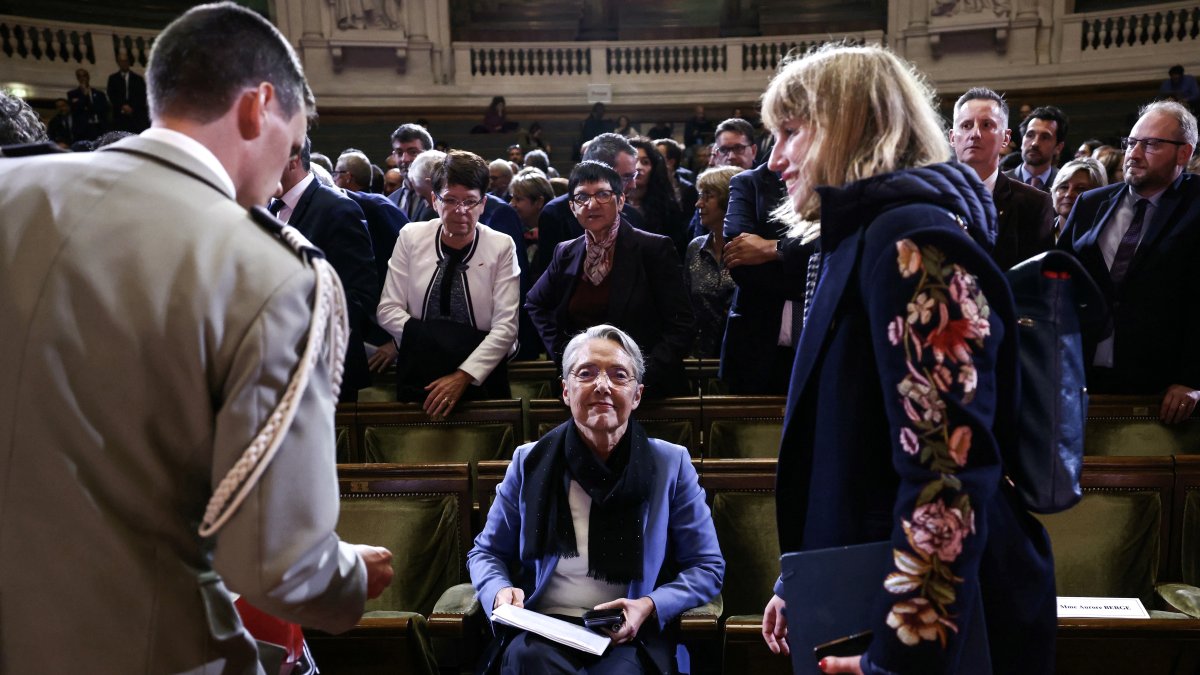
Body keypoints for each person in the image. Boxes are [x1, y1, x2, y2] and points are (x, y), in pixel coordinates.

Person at [0, 4, 394, 672]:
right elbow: (280, 566)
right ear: (259, 106)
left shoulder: (13, 188)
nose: (287, 169)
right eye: (292, 142)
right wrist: (347, 575)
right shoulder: (272, 268)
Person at [759, 44, 1055, 675]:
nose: (776, 159)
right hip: (861, 581)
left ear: (848, 127)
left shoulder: (914, 242)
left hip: (920, 624)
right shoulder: (859, 238)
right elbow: (848, 439)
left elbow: (947, 473)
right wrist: (803, 577)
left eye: (790, 133)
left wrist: (899, 658)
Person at [467, 324, 724, 674]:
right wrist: (499, 592)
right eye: (586, 373)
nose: (602, 385)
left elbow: (707, 567)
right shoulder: (530, 462)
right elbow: (487, 552)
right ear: (566, 391)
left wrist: (649, 604)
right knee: (528, 660)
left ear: (636, 395)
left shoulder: (670, 464)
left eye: (619, 375)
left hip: (628, 635)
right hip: (544, 628)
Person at [1058, 101, 1200, 422]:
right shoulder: (1090, 203)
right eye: (1132, 142)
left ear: (1184, 153)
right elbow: (1061, 284)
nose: (1133, 154)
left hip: (1162, 388)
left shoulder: (1196, 205)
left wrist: (1193, 379)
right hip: (1083, 376)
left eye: (1150, 144)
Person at [526, 161, 693, 398]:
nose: (592, 204)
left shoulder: (653, 248)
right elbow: (535, 303)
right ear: (572, 207)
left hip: (647, 390)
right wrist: (566, 356)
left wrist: (639, 376)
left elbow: (682, 324)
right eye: (582, 197)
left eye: (603, 195)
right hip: (584, 390)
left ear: (621, 200)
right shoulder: (566, 252)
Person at [377, 150, 520, 415]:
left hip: (483, 373)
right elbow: (387, 310)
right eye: (450, 200)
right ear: (434, 200)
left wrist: (464, 375)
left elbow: (507, 328)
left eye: (470, 201)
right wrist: (443, 345)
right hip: (420, 369)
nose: (460, 211)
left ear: (483, 204)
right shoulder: (410, 236)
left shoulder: (501, 245)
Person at [274, 137, 377, 402]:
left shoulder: (337, 208)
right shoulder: (268, 207)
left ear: (292, 159)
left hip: (325, 370)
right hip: (277, 368)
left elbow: (359, 297)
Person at [948, 87, 1055, 269]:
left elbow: (1037, 281)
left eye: (986, 125)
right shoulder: (931, 197)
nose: (975, 134)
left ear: (1005, 138)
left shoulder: (1034, 204)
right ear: (952, 137)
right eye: (966, 125)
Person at [684, 166, 740, 357]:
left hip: (739, 356)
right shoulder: (695, 247)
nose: (699, 204)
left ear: (729, 199)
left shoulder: (749, 249)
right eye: (700, 195)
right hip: (699, 357)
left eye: (708, 196)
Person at [627, 137, 688, 252]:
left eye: (645, 162)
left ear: (654, 168)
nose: (638, 167)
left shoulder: (666, 207)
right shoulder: (611, 204)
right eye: (633, 161)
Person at [1005, 105, 1069, 191]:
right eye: (1030, 135)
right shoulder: (999, 182)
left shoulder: (1065, 184)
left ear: (1058, 147)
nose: (1035, 143)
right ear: (1022, 140)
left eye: (1045, 137)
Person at [1049, 157, 1107, 241]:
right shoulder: (1038, 232)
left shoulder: (1105, 239)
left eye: (1080, 189)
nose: (1068, 194)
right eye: (1064, 187)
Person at [510, 167, 556, 267]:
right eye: (512, 198)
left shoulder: (553, 238)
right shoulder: (520, 231)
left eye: (518, 199)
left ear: (539, 202)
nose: (511, 204)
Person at [107, 50, 148, 133]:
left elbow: (142, 95)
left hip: (136, 115)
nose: (124, 63)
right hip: (119, 115)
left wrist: (132, 107)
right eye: (121, 61)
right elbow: (112, 95)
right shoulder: (113, 79)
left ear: (129, 62)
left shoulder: (138, 79)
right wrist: (122, 106)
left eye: (125, 61)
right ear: (118, 62)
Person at [66, 67, 109, 142]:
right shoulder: (72, 94)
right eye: (80, 76)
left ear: (88, 77)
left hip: (98, 127)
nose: (82, 78)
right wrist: (84, 96)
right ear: (77, 78)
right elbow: (76, 109)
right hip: (83, 129)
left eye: (84, 75)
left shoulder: (99, 94)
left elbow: (103, 109)